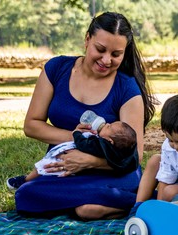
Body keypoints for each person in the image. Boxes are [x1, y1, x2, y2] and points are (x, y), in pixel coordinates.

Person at [10, 12, 158, 220]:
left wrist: (90, 161)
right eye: (100, 49)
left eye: (116, 54)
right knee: (25, 194)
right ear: (87, 39)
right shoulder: (56, 69)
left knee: (84, 209)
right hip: (66, 168)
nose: (106, 60)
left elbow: (135, 156)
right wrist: (77, 138)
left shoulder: (126, 88)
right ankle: (95, 204)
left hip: (113, 172)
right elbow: (32, 125)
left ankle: (135, 199)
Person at [7, 120, 138, 187]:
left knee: (43, 166)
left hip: (70, 162)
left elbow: (83, 145)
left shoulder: (101, 145)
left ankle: (26, 180)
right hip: (86, 171)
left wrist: (76, 133)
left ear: (109, 140)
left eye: (109, 127)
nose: (107, 123)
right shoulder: (120, 151)